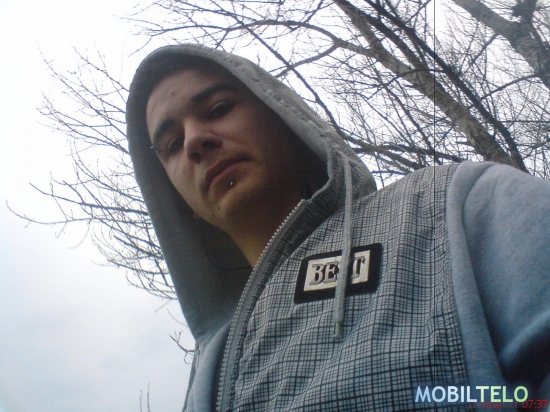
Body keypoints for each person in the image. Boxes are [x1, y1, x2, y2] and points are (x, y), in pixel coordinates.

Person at [126, 44, 550, 411]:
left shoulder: (451, 203)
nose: (194, 140)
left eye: (219, 109)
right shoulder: (210, 372)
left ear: (285, 120)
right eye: (172, 145)